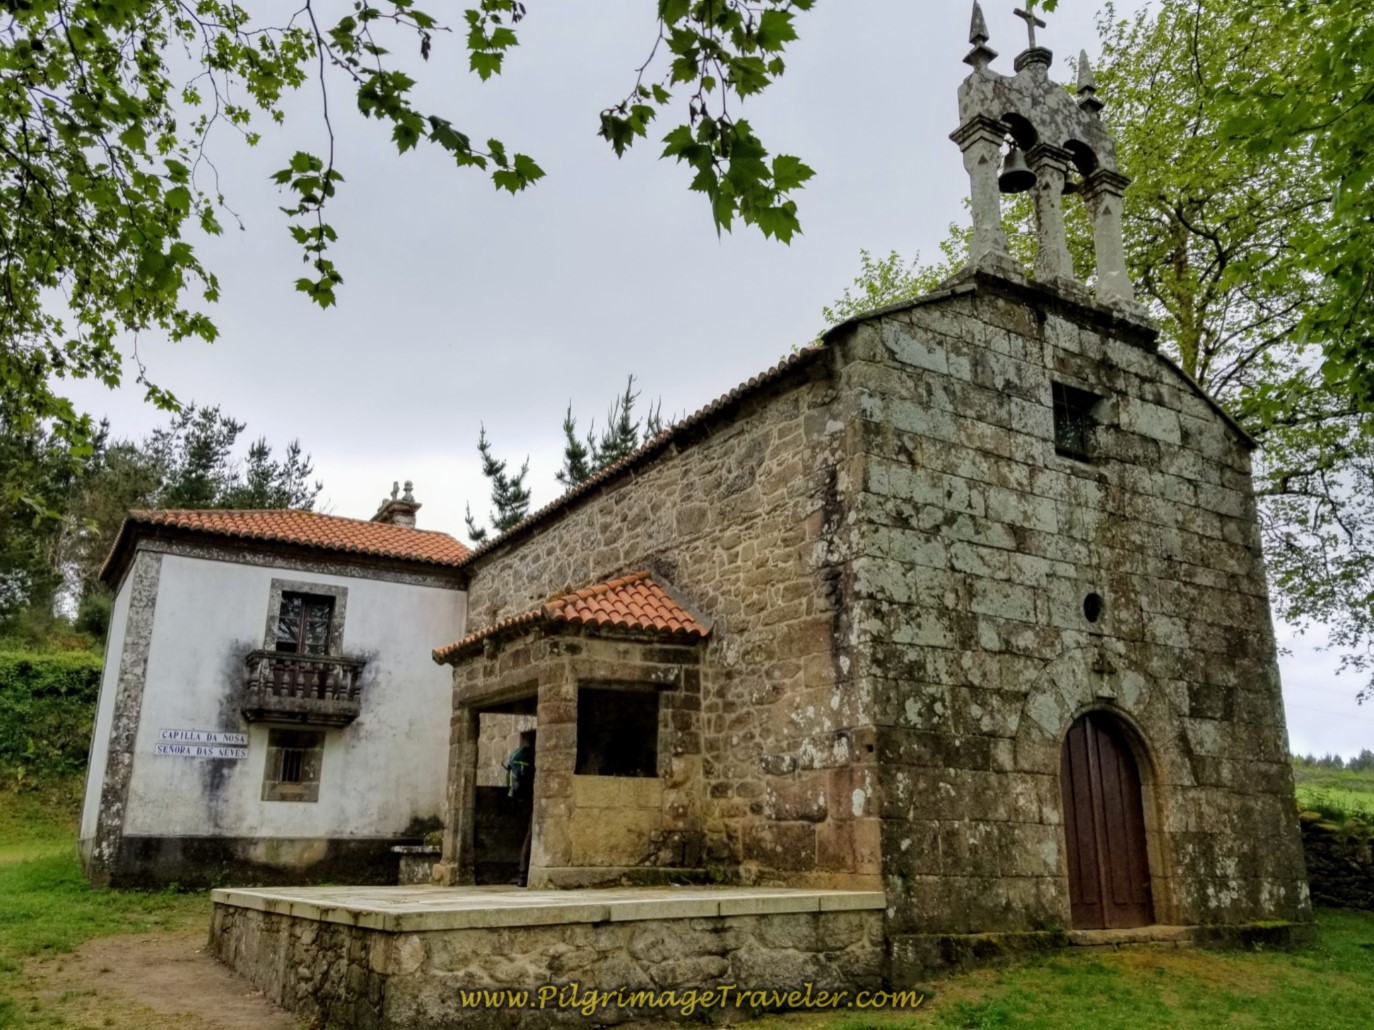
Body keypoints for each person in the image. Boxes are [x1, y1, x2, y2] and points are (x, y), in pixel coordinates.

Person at [502, 730, 536, 887]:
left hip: (521, 799)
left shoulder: (522, 757)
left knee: (528, 835)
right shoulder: (534, 758)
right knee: (530, 835)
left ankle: (523, 874)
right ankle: (524, 875)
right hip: (531, 800)